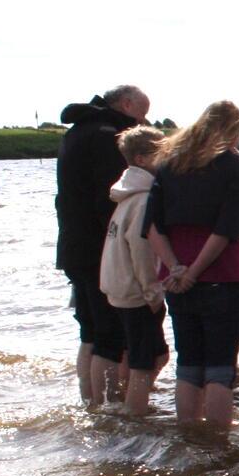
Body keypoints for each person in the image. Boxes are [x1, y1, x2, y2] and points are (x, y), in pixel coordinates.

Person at [144, 101, 239, 430]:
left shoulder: (168, 164)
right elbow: (226, 228)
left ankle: (189, 437)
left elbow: (152, 228)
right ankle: (218, 445)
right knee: (221, 367)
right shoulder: (236, 167)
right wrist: (193, 272)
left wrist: (176, 268)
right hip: (222, 274)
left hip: (175, 277)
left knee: (188, 363)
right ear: (232, 131)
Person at [54, 86, 149, 403]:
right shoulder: (107, 136)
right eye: (142, 114)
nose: (143, 122)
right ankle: (109, 406)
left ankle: (91, 403)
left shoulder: (78, 130)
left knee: (91, 332)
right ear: (126, 104)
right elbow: (108, 200)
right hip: (98, 251)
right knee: (109, 334)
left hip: (72, 247)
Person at [98, 126, 170, 416]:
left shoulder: (126, 194)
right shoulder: (142, 199)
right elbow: (140, 250)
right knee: (152, 357)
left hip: (118, 287)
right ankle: (135, 414)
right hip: (136, 291)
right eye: (162, 153)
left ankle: (126, 404)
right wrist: (153, 292)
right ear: (141, 159)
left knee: (137, 353)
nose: (168, 158)